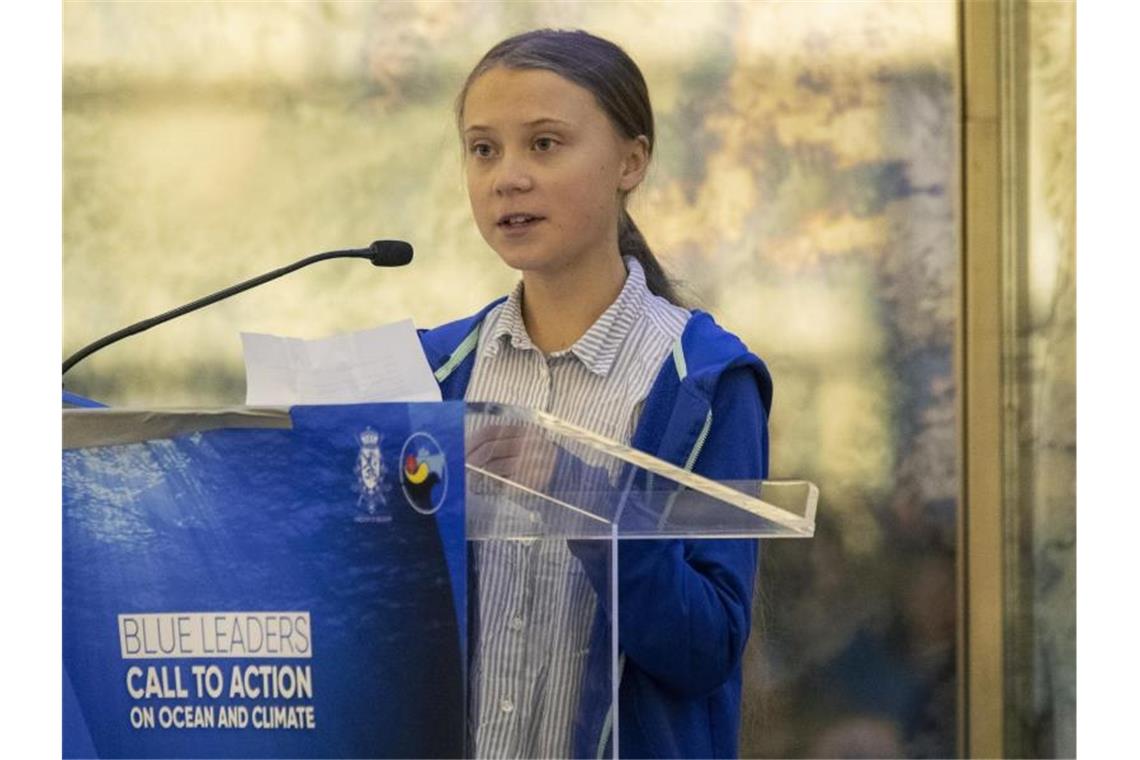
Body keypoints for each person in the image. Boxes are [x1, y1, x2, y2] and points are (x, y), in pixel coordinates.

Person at [418, 29, 772, 759]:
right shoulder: (431, 370)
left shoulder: (704, 381)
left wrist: (574, 488)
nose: (507, 177)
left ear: (630, 161)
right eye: (483, 149)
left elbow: (706, 647)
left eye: (544, 144)